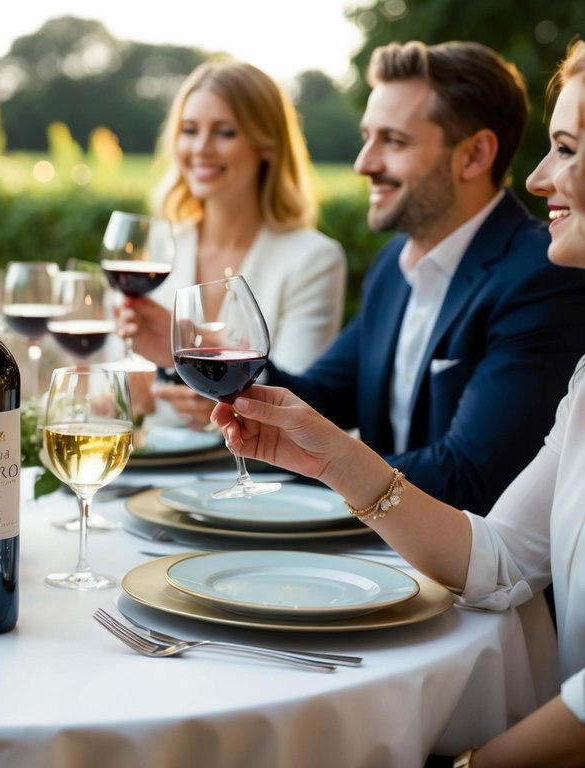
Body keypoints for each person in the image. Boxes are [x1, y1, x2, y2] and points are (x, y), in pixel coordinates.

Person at [210, 42, 585, 767]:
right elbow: (502, 558)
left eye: (565, 149)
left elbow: (469, 477)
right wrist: (334, 460)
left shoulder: (536, 280)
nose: (538, 178)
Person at [134, 40, 585, 516]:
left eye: (393, 141)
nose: (363, 162)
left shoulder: (542, 276)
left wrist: (329, 468)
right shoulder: (394, 265)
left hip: (472, 583)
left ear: (474, 156)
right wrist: (209, 355)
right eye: (367, 136)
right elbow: (324, 399)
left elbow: (467, 476)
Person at [137, 58, 348, 376]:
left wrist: (178, 371)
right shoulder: (157, 250)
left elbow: (295, 396)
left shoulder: (314, 260)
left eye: (225, 132)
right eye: (190, 130)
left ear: (267, 145)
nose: (201, 148)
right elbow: (119, 376)